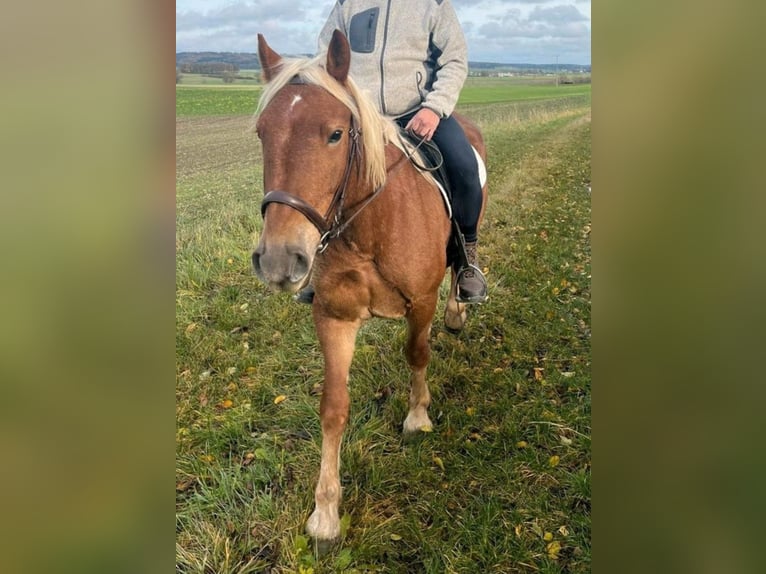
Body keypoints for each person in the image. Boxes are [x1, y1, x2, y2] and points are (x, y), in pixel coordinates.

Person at [297, 0, 486, 304]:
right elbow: (326, 56)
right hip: (359, 116)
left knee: (465, 166)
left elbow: (455, 60)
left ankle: (467, 258)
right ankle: (320, 260)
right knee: (320, 171)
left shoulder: (433, 4)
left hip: (417, 112)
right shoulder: (348, 4)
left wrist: (434, 108)